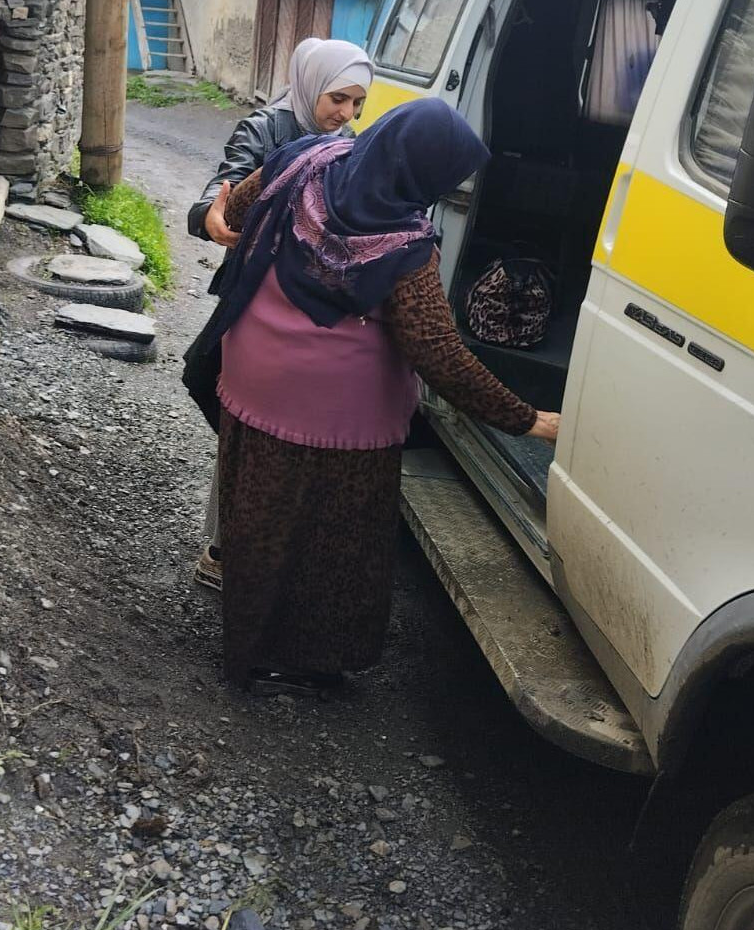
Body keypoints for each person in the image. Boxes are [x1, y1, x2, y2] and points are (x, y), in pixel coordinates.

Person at [198, 98, 560, 696]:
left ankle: (244, 641)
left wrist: (217, 212)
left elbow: (235, 206)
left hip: (253, 377)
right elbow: (437, 352)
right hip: (337, 417)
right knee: (331, 540)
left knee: (258, 517)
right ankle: (303, 662)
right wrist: (526, 421)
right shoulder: (404, 245)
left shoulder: (303, 159)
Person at [189, 37, 374, 590]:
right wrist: (210, 217)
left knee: (267, 420)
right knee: (214, 388)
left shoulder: (352, 146)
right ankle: (227, 543)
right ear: (313, 83)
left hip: (310, 303)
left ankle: (231, 549)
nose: (345, 114)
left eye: (357, 104)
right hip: (253, 293)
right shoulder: (267, 129)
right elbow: (218, 190)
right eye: (338, 98)